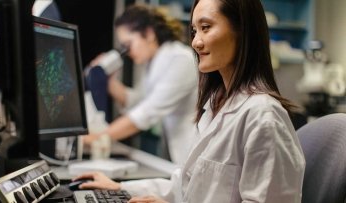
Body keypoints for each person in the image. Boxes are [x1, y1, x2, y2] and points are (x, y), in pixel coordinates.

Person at [74, 0, 306, 202]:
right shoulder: (216, 104)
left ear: (242, 30)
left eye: (206, 28)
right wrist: (121, 188)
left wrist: (95, 138)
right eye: (194, 31)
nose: (195, 42)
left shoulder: (263, 117)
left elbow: (147, 112)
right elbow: (187, 185)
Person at [84, 4, 198, 165]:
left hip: (194, 149)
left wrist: (96, 137)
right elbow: (137, 102)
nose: (127, 52)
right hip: (179, 152)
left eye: (128, 44)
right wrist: (108, 81)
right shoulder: (153, 64)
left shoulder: (180, 59)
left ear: (149, 34)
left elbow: (147, 112)